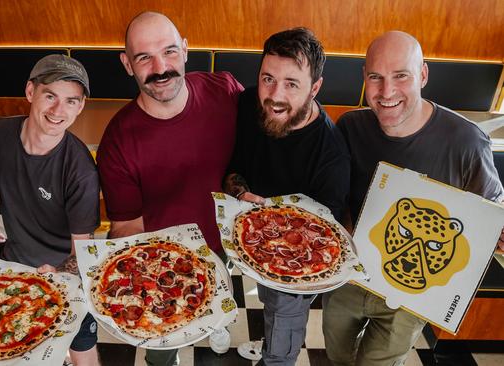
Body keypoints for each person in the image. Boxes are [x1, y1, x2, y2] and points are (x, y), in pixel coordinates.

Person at [322, 31, 504, 366]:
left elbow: (492, 219)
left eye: (401, 76)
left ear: (423, 74)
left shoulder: (467, 142)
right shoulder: (350, 126)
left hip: (412, 298)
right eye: (376, 77)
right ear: (364, 76)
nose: (387, 91)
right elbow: (335, 197)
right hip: (349, 277)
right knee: (336, 357)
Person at [96, 11, 243, 366]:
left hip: (224, 243)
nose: (160, 68)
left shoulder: (225, 89)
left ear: (186, 49)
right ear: (127, 64)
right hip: (162, 262)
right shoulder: (117, 142)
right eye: (144, 57)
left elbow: (257, 147)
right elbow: (128, 227)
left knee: (219, 303)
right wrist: (159, 289)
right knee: (161, 354)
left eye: (169, 52)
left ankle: (214, 325)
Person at [224, 28, 350, 366]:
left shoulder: (331, 153)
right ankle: (267, 338)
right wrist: (240, 191)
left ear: (315, 87)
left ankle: (275, 354)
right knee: (266, 300)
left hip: (298, 263)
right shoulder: (249, 104)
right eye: (268, 78)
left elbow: (326, 238)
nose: (275, 95)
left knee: (282, 328)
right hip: (251, 237)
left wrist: (281, 243)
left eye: (292, 84)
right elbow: (233, 165)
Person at [0, 54, 101, 365]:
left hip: (64, 277)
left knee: (83, 355)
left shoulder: (80, 170)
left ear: (81, 106)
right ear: (30, 92)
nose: (59, 111)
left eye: (71, 101)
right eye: (50, 96)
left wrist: (58, 274)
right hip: (10, 267)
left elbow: (82, 251)